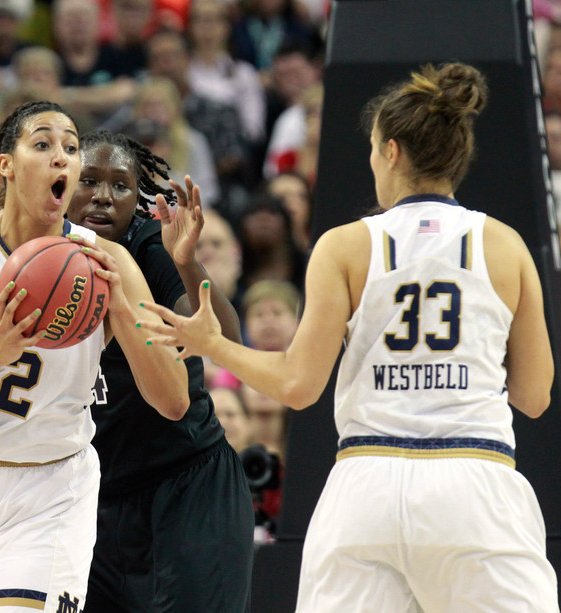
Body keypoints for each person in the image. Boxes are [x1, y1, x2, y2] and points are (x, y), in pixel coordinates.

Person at [139, 62, 560, 611]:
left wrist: (212, 345)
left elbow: (296, 385)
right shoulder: (504, 245)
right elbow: (533, 396)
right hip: (476, 483)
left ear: (391, 151)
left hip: (368, 487)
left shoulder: (345, 245)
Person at [0, 100, 188, 612]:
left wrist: (122, 304)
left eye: (71, 148)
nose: (62, 158)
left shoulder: (108, 260)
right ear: (5, 164)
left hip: (48, 485)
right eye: (44, 144)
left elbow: (174, 401)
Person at [65, 129, 253, 612]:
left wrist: (187, 262)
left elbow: (226, 340)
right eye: (88, 180)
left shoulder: (152, 248)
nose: (103, 196)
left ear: (138, 198)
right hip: (97, 495)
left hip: (188, 483)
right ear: (62, 183)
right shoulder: (35, 253)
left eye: (121, 186)